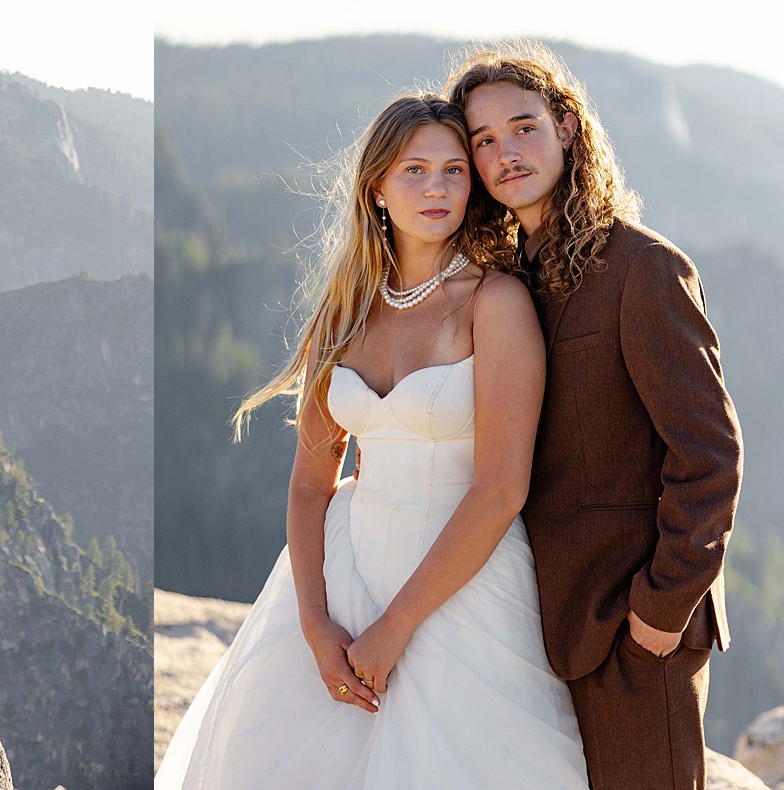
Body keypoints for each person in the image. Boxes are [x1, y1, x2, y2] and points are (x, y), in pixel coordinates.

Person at [157, 93, 590, 787]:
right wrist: (314, 623)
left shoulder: (496, 302)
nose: (438, 188)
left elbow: (503, 486)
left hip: (465, 586)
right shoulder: (346, 308)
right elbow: (309, 482)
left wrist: (395, 628)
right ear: (377, 187)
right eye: (415, 170)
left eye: (454, 170)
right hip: (351, 570)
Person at [449, 41, 741, 790]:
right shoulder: (511, 282)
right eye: (483, 141)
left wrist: (658, 616)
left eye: (522, 127)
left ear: (568, 126)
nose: (505, 152)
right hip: (533, 629)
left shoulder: (643, 268)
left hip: (631, 637)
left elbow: (710, 456)